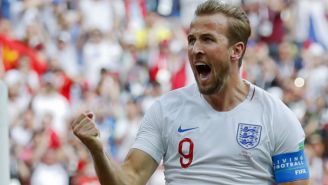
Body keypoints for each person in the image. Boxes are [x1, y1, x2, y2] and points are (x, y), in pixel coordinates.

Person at [71, 0, 310, 184]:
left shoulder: (277, 117)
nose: (195, 49)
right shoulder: (166, 110)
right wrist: (97, 150)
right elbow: (129, 179)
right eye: (192, 39)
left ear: (236, 51)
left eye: (207, 39)